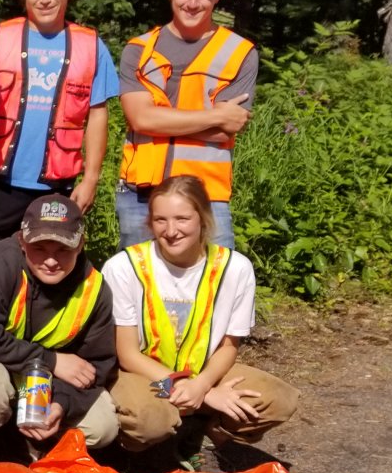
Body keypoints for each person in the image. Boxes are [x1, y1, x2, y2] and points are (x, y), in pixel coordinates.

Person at [101, 175, 299, 457]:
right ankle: (142, 452)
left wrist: (202, 385)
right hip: (145, 374)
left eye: (182, 219)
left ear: (203, 219)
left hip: (203, 372)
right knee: (149, 420)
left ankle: (207, 430)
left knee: (277, 400)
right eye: (160, 220)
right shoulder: (123, 267)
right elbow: (128, 354)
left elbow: (230, 346)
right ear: (150, 222)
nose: (171, 231)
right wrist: (188, 387)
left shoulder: (236, 268)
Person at [0, 0, 120, 258]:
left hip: (57, 187)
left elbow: (97, 116)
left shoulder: (92, 46)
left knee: (48, 269)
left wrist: (90, 179)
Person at [0, 194, 119, 454]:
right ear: (22, 240)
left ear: (80, 244)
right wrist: (50, 361)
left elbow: (97, 365)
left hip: (45, 384)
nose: (51, 261)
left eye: (63, 249)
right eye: (39, 248)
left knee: (102, 426)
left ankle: (34, 443)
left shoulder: (95, 287)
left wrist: (62, 404)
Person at [115, 0, 257, 249]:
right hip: (141, 193)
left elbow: (226, 130)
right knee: (137, 284)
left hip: (207, 194)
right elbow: (141, 119)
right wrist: (216, 116)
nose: (192, 3)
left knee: (216, 284)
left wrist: (159, 120)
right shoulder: (138, 49)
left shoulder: (240, 52)